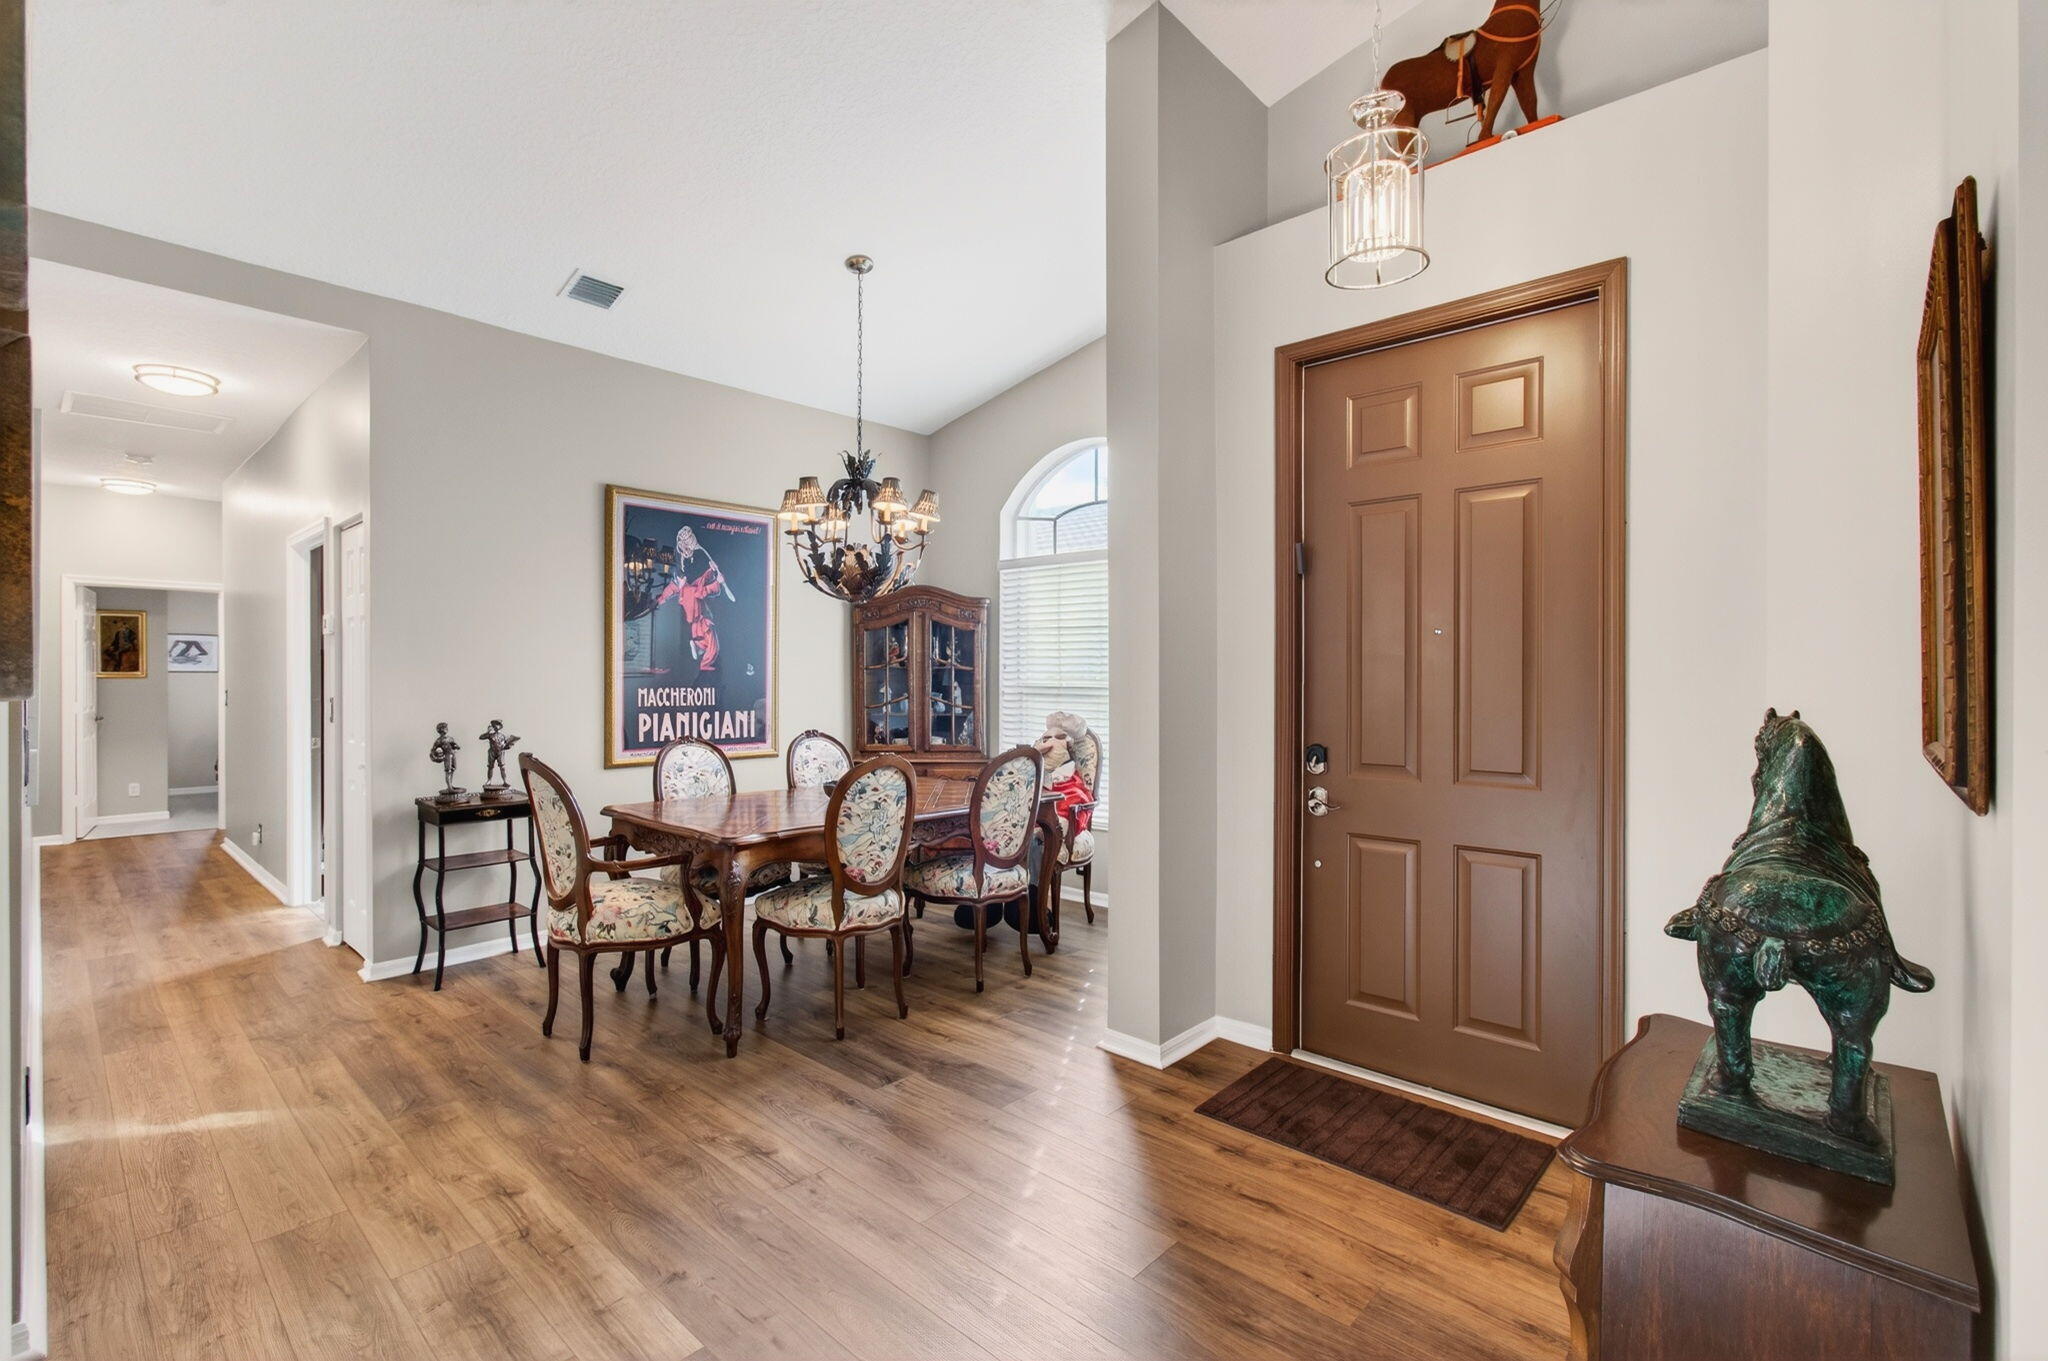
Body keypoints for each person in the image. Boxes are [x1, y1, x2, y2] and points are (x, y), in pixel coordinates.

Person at [654, 525, 727, 673]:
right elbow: (703, 590)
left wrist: (716, 578)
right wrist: (716, 582)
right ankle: (699, 651)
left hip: (694, 605)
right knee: (705, 630)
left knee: (705, 632)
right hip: (692, 601)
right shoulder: (688, 578)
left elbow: (707, 589)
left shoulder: (698, 567)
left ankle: (698, 649)